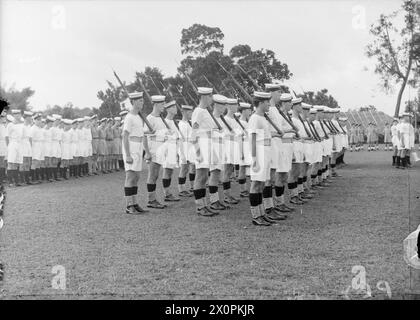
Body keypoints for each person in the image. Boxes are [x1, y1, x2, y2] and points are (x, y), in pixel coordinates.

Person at [248, 91, 281, 226]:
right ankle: (256, 216)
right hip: (259, 152)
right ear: (260, 103)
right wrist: (254, 158)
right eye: (267, 102)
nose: (269, 104)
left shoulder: (263, 118)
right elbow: (253, 140)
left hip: (266, 151)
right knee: (256, 184)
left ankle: (262, 213)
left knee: (261, 184)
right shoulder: (255, 118)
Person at [190, 87, 219, 216]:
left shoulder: (206, 111)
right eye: (209, 97)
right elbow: (193, 134)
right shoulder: (198, 111)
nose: (211, 99)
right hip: (201, 147)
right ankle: (200, 207)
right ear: (203, 97)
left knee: (204, 177)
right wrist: (198, 152)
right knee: (200, 177)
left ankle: (204, 205)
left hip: (208, 145)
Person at [122, 92, 149, 214]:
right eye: (139, 101)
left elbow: (143, 135)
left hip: (138, 147)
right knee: (130, 176)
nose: (142, 103)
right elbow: (125, 136)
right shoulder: (129, 117)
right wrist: (127, 155)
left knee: (137, 176)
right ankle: (129, 205)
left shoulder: (139, 117)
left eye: (142, 101)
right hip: (131, 146)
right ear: (133, 102)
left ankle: (135, 202)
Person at [144, 95, 171, 209]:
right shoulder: (149, 118)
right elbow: (144, 136)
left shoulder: (161, 118)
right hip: (153, 149)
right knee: (153, 175)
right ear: (155, 104)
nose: (163, 106)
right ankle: (151, 200)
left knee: (156, 175)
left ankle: (153, 199)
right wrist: (147, 152)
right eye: (161, 104)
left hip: (160, 149)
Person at [160, 100, 181, 202]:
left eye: (175, 107)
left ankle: (168, 192)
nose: (175, 109)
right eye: (173, 107)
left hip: (174, 147)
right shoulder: (165, 122)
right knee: (167, 171)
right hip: (167, 147)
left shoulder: (173, 121)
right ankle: (166, 194)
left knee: (170, 171)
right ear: (168, 109)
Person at [177, 105, 195, 197]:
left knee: (192, 167)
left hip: (191, 147)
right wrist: (183, 154)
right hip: (184, 147)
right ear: (183, 112)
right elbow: (180, 140)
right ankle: (181, 189)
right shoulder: (181, 124)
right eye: (189, 112)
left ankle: (192, 187)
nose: (191, 114)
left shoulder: (190, 123)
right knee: (184, 169)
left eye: (191, 112)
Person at [237, 102, 252, 198]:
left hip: (249, 146)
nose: (250, 112)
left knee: (249, 169)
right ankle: (242, 190)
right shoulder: (239, 123)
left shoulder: (247, 122)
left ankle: (248, 188)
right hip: (243, 146)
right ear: (243, 111)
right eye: (248, 110)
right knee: (242, 169)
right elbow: (239, 139)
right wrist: (241, 152)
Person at [20, 111, 34, 184]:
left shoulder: (29, 127)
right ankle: (22, 180)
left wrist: (31, 147)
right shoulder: (21, 127)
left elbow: (30, 138)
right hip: (23, 145)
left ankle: (27, 180)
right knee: (23, 163)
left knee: (28, 163)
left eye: (31, 117)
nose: (30, 119)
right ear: (25, 118)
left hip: (28, 145)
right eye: (29, 118)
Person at [0, 114, 7, 184]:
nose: (3, 119)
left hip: (3, 145)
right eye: (1, 118)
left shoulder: (3, 126)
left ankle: (2, 177)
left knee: (2, 162)